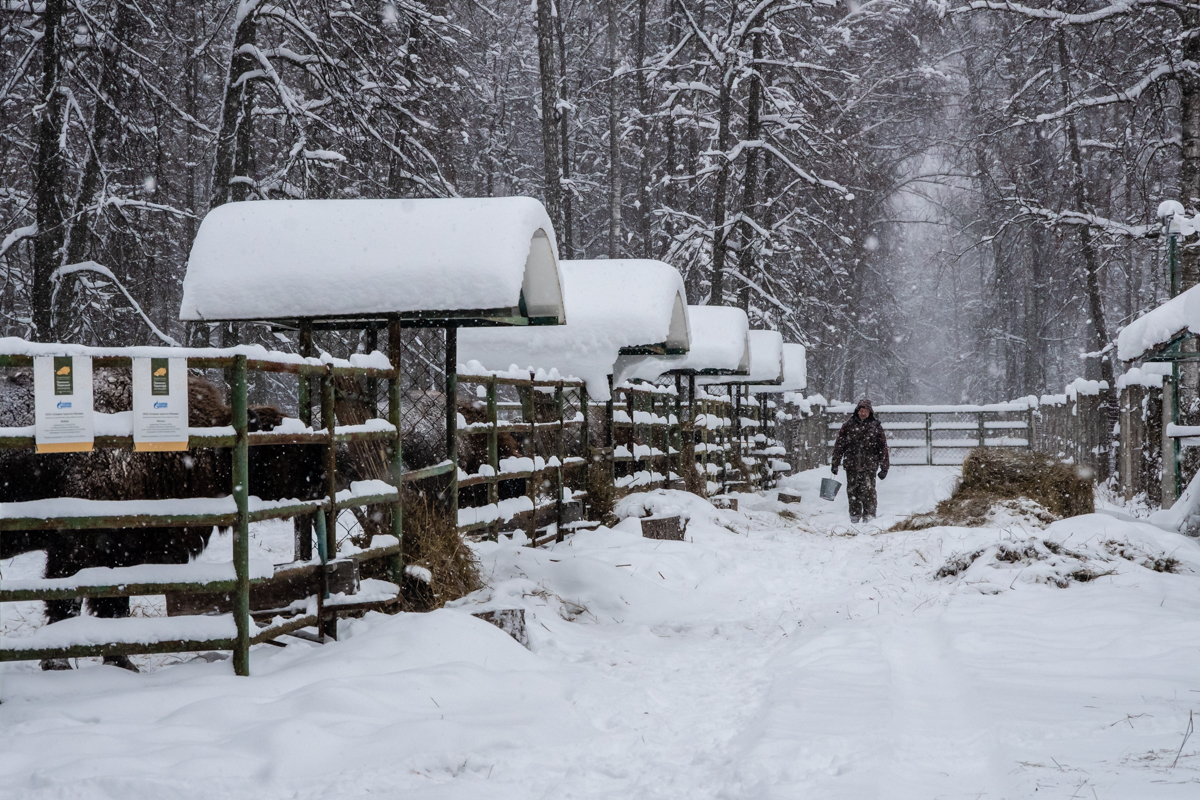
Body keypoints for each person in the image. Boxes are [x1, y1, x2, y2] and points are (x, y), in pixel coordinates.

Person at [830, 398, 889, 523]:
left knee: (869, 491)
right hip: (851, 464)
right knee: (853, 491)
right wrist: (835, 463)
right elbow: (839, 445)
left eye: (865, 411)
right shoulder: (848, 426)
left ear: (870, 412)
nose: (863, 413)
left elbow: (882, 447)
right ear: (857, 411)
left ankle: (870, 517)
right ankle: (854, 516)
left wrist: (884, 467)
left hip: (869, 465)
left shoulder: (876, 426)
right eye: (861, 410)